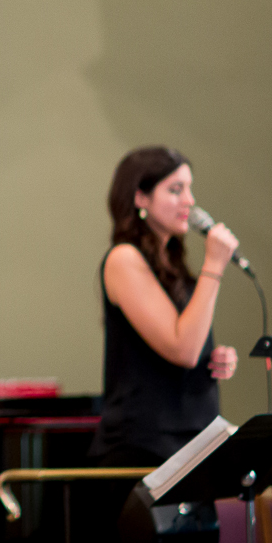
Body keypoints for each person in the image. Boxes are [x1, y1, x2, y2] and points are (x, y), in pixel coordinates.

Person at [90, 146, 239, 467]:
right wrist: (214, 265)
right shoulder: (124, 259)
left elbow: (189, 345)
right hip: (145, 451)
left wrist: (211, 357)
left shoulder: (172, 263)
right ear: (140, 198)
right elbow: (181, 348)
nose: (189, 200)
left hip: (192, 443)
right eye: (175, 190)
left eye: (189, 188)